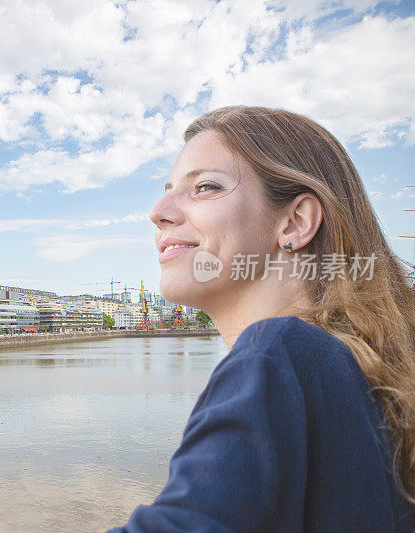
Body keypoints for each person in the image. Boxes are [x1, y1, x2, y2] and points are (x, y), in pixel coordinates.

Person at [108, 106, 415, 532]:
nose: (158, 211)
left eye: (205, 187)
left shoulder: (276, 356)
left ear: (294, 222)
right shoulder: (365, 381)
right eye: (167, 190)